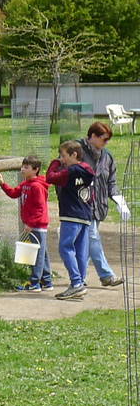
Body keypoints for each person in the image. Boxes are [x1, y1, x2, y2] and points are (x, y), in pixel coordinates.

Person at [45, 140, 99, 301]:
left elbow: (50, 177)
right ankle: (80, 283)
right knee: (81, 251)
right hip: (85, 214)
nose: (62, 159)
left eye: (63, 156)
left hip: (71, 215)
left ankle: (76, 283)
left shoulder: (71, 171)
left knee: (65, 248)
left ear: (74, 155)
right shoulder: (87, 170)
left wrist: (55, 162)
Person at [78, 122, 130, 288]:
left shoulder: (107, 157)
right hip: (82, 205)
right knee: (93, 237)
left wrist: (120, 201)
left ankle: (78, 278)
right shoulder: (77, 151)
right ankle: (107, 275)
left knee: (87, 242)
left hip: (99, 206)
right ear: (92, 136)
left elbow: (111, 182)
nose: (106, 143)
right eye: (104, 139)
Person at [0, 156, 51, 292]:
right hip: (33, 225)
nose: (23, 169)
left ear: (35, 170)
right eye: (23, 166)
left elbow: (40, 208)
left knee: (36, 255)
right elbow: (14, 193)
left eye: (26, 167)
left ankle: (35, 283)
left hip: (37, 226)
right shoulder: (25, 184)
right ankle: (47, 281)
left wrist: (31, 224)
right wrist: (3, 184)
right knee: (42, 253)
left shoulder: (37, 187)